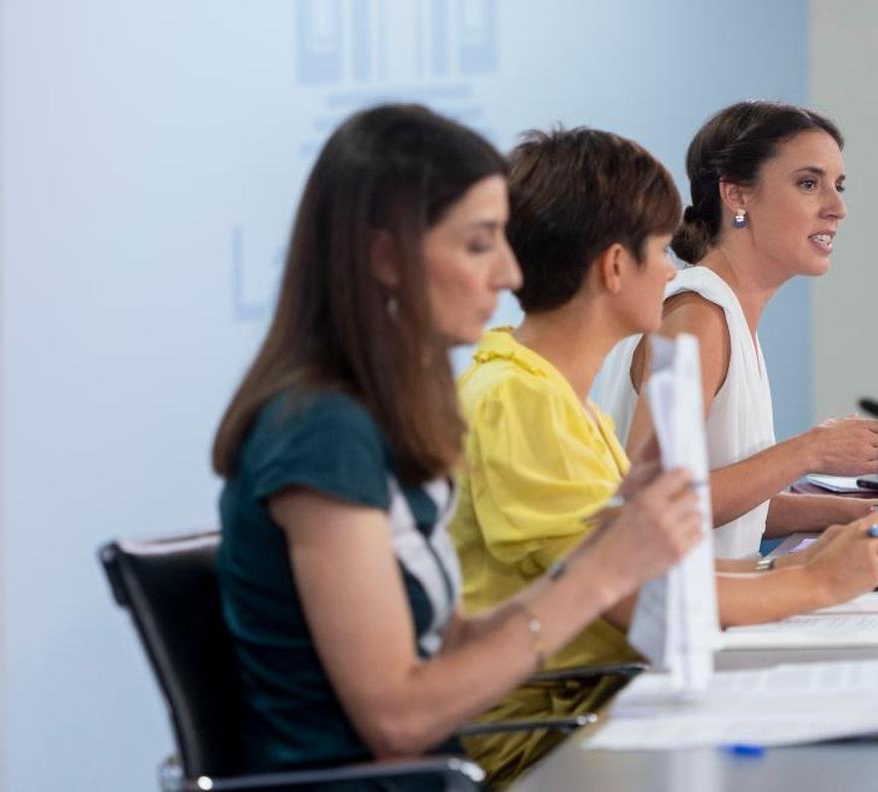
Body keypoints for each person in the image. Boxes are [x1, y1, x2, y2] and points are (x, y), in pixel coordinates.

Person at [211, 105, 703, 791]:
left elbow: (453, 646)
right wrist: (602, 573)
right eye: (479, 245)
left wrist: (610, 545)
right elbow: (399, 718)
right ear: (386, 258)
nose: (507, 273)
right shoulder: (322, 432)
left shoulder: (378, 418)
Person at [449, 127, 878, 785]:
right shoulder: (518, 400)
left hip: (609, 699)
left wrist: (807, 571)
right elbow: (634, 598)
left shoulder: (549, 394)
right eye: (661, 251)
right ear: (613, 267)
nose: (672, 272)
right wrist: (813, 583)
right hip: (551, 740)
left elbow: (642, 583)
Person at [593, 101, 878, 558]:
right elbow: (651, 503)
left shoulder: (722, 310)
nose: (837, 208)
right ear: (737, 195)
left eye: (838, 186)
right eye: (808, 184)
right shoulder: (695, 320)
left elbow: (725, 505)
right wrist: (811, 450)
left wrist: (866, 511)